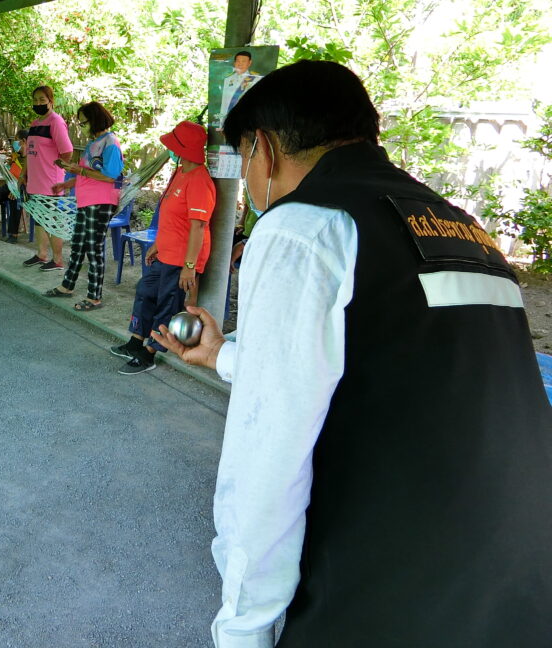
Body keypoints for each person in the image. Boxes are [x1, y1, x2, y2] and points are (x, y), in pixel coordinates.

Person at [153, 61, 552, 648]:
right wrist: (224, 357)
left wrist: (243, 625)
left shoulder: (303, 225)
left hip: (396, 585)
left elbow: (269, 452)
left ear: (263, 148)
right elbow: (393, 366)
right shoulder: (465, 229)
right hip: (519, 574)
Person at [112, 121, 215, 375]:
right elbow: (170, 216)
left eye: (174, 145)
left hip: (181, 259)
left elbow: (198, 228)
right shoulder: (180, 172)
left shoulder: (199, 181)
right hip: (165, 253)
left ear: (184, 149)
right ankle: (136, 341)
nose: (170, 149)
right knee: (145, 292)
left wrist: (189, 267)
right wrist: (157, 245)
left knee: (167, 306)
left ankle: (149, 353)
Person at [43, 102, 124, 310]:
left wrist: (78, 171)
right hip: (86, 201)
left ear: (94, 120)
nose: (81, 127)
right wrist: (67, 183)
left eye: (83, 122)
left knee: (94, 249)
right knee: (78, 245)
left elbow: (111, 176)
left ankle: (94, 297)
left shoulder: (110, 142)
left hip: (101, 202)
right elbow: (87, 174)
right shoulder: (93, 143)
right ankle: (67, 286)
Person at [21, 85, 74, 271]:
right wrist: (23, 174)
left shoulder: (56, 122)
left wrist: (57, 168)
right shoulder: (35, 124)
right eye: (35, 100)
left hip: (51, 182)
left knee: (52, 221)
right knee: (39, 219)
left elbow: (67, 151)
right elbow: (29, 152)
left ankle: (57, 260)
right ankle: (41, 254)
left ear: (51, 101)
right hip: (34, 181)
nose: (38, 103)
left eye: (42, 100)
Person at [218, 51, 262, 122]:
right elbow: (224, 103)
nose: (240, 64)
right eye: (238, 61)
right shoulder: (228, 79)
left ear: (249, 63)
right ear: (234, 63)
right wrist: (221, 122)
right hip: (229, 118)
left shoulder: (256, 79)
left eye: (243, 61)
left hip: (247, 118)